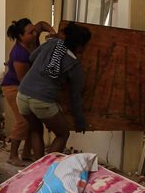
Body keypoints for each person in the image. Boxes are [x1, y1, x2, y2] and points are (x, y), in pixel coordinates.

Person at [17, 21, 92, 156]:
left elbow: (32, 57)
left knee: (36, 130)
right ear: (80, 46)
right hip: (42, 100)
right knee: (63, 134)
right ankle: (47, 167)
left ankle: (39, 165)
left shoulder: (52, 44)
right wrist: (80, 121)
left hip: (22, 94)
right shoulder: (74, 65)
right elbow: (75, 96)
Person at [0, 18, 54, 165]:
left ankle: (26, 153)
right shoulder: (19, 54)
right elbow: (23, 80)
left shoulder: (33, 38)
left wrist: (52, 32)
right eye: (30, 33)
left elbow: (41, 24)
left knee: (33, 121)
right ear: (20, 36)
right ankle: (13, 155)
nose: (35, 34)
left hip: (27, 85)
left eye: (34, 31)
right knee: (23, 121)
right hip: (14, 87)